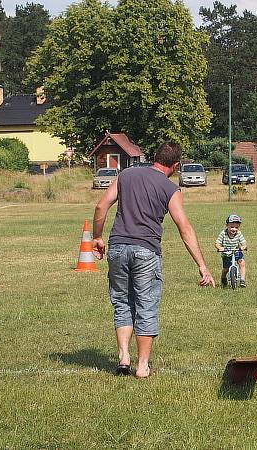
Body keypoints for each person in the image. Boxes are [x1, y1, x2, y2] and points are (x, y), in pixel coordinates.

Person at [91, 141, 215, 379]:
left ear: (155, 157)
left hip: (117, 247)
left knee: (122, 302)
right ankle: (142, 366)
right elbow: (184, 227)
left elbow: (101, 205)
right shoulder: (170, 189)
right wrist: (202, 266)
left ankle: (124, 357)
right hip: (146, 252)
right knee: (146, 305)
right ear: (176, 165)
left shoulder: (125, 175)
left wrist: (97, 237)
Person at [214, 214, 247, 288]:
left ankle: (242, 280)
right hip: (226, 253)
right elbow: (217, 243)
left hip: (236, 251)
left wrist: (243, 247)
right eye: (232, 227)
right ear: (227, 225)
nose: (234, 229)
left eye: (236, 227)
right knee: (226, 269)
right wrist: (220, 247)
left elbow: (244, 243)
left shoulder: (239, 234)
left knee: (242, 262)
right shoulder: (223, 233)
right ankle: (223, 277)